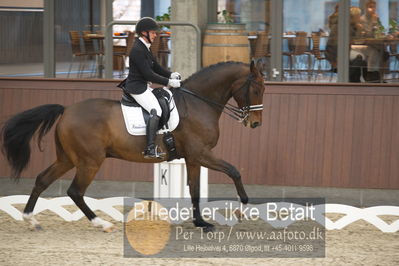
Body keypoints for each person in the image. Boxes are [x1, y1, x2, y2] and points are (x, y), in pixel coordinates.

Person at [125, 17, 181, 159]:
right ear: (144, 33)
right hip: (137, 87)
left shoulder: (145, 47)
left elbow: (155, 67)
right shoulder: (137, 49)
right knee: (155, 110)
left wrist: (171, 74)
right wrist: (168, 81)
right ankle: (149, 148)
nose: (155, 35)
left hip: (143, 85)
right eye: (153, 33)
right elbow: (148, 74)